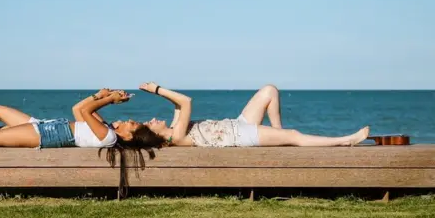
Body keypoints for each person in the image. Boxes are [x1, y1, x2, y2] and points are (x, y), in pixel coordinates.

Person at [118, 82, 370, 147]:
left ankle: (280, 136)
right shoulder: (176, 137)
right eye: (150, 123)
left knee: (269, 90)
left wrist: (160, 94)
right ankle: (346, 140)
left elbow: (177, 106)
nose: (153, 119)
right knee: (294, 135)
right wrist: (158, 89)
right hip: (241, 135)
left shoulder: (173, 130)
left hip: (237, 124)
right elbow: (186, 102)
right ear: (152, 132)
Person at [0, 88, 149, 149]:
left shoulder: (108, 137)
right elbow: (78, 109)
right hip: (47, 126)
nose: (129, 120)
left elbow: (86, 113)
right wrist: (99, 95)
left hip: (49, 135)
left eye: (132, 124)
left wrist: (110, 100)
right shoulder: (106, 129)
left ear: (129, 137)